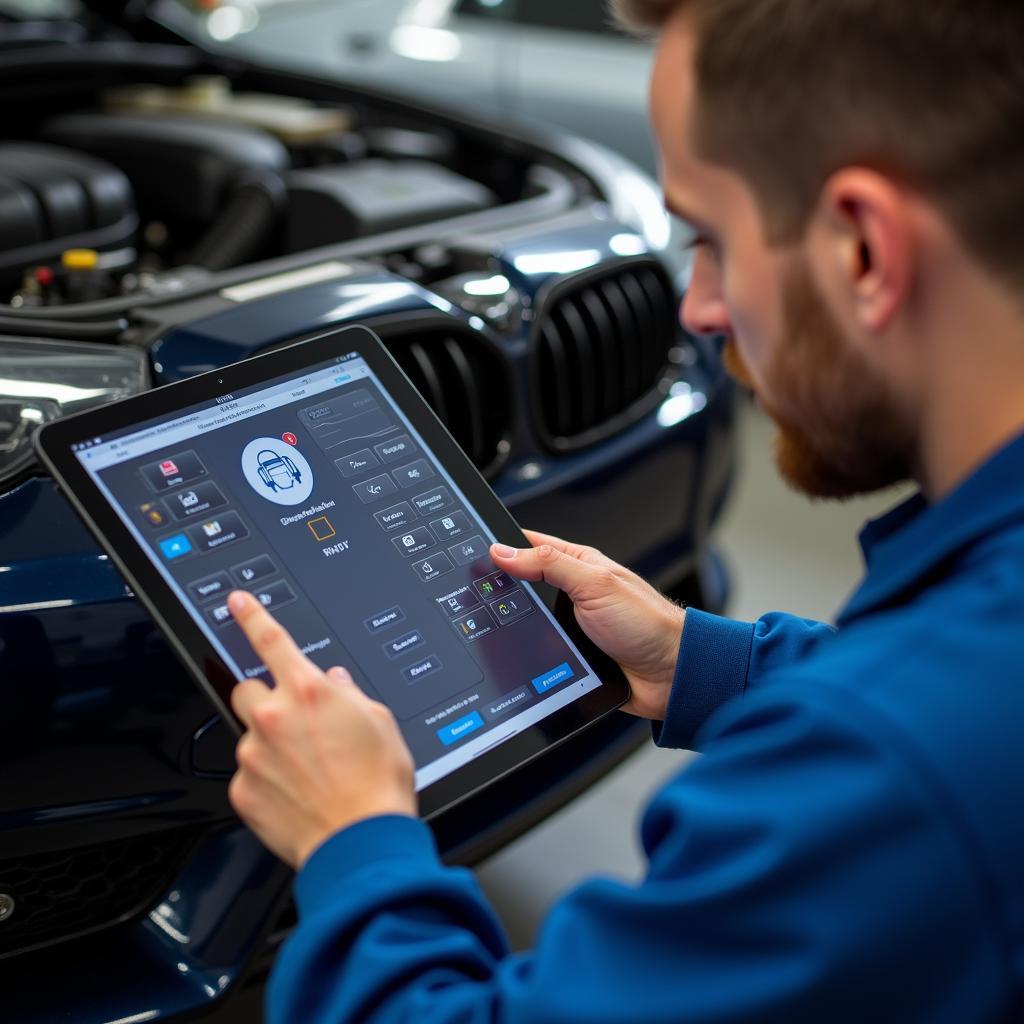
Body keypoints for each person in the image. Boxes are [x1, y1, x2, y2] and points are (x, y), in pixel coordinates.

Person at [224, 0, 1024, 1019]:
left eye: (711, 237)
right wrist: (699, 659)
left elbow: (915, 747)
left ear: (863, 250)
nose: (696, 306)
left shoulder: (875, 772)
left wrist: (353, 841)